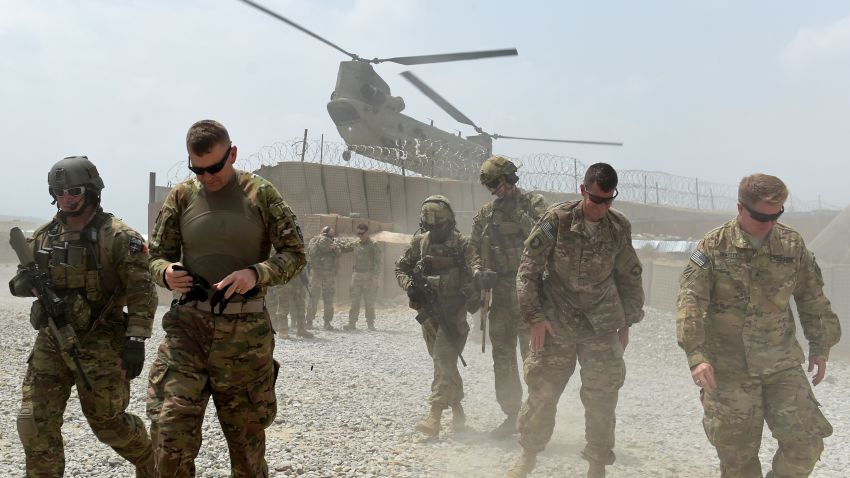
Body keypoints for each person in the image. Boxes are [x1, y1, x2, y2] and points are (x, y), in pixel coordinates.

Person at [145, 119, 306, 477]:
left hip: (243, 337)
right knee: (169, 435)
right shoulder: (182, 195)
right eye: (198, 169)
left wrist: (255, 273)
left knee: (246, 447)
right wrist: (166, 273)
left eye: (215, 167)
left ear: (232, 154)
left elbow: (295, 254)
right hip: (188, 330)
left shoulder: (260, 194)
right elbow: (155, 256)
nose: (207, 177)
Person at [676, 173, 840, 478]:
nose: (768, 224)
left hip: (781, 363)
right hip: (728, 368)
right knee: (738, 460)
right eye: (760, 216)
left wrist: (820, 346)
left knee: (806, 442)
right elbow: (690, 302)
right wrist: (696, 356)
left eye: (776, 215)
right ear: (741, 208)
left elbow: (812, 297)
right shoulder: (713, 246)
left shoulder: (791, 244)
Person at [9, 156, 157, 476]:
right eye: (58, 192)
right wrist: (24, 283)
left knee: (107, 424)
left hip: (101, 340)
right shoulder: (46, 235)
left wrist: (136, 340)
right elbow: (22, 278)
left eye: (73, 191)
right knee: (33, 421)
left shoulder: (117, 237)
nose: (66, 199)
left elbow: (143, 292)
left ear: (91, 190)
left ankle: (150, 459)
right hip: (52, 338)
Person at [506, 163, 644, 478]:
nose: (601, 207)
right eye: (596, 199)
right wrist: (535, 317)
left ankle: (597, 466)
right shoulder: (557, 220)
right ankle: (527, 455)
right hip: (558, 319)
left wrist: (628, 320)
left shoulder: (619, 226)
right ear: (583, 191)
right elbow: (527, 271)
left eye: (608, 200)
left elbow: (630, 274)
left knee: (603, 397)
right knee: (542, 391)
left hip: (602, 323)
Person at [470, 155, 548, 438]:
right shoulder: (486, 214)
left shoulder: (534, 203)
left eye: (497, 184)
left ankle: (537, 416)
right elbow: (473, 246)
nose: (494, 191)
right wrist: (479, 271)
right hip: (499, 295)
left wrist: (514, 211)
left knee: (534, 357)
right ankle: (512, 415)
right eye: (490, 187)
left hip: (528, 293)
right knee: (502, 358)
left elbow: (543, 236)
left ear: (510, 178)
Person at [395, 196, 480, 437]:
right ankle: (458, 409)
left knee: (443, 359)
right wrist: (409, 285)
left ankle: (434, 415)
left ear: (450, 221)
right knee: (442, 362)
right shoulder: (420, 243)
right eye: (431, 227)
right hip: (428, 313)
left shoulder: (463, 245)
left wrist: (461, 296)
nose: (436, 231)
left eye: (440, 226)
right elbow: (400, 267)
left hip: (453, 315)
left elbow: (476, 274)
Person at [305, 226, 349, 330]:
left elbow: (310, 253)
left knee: (313, 298)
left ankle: (309, 322)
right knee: (328, 298)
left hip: (316, 274)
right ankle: (327, 323)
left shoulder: (313, 241)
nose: (333, 232)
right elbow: (338, 253)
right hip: (327, 274)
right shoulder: (329, 241)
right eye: (332, 231)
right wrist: (334, 248)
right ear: (328, 233)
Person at [344, 223, 382, 331]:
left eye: (361, 233)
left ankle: (370, 324)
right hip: (356, 275)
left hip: (368, 275)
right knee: (354, 300)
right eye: (358, 233)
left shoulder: (373, 245)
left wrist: (375, 276)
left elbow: (378, 262)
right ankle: (351, 323)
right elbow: (344, 248)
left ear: (367, 233)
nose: (359, 235)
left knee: (369, 301)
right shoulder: (356, 243)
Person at [267, 270, 312, 338]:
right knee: (283, 307)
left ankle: (301, 329)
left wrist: (304, 277)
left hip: (297, 283)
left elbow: (302, 267)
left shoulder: (298, 259)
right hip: (284, 283)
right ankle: (283, 330)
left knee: (301, 306)